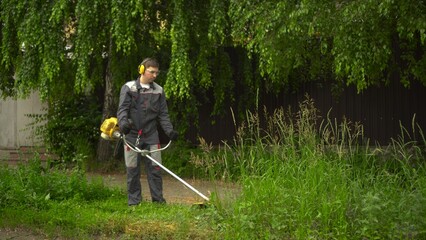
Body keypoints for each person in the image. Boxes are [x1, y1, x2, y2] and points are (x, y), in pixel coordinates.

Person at [117, 58, 178, 205]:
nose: (155, 75)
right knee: (132, 171)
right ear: (142, 70)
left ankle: (158, 202)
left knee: (155, 169)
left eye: (157, 72)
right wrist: (123, 123)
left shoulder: (158, 90)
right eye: (152, 72)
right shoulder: (129, 88)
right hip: (131, 136)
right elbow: (123, 110)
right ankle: (134, 203)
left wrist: (169, 131)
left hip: (151, 136)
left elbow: (163, 115)